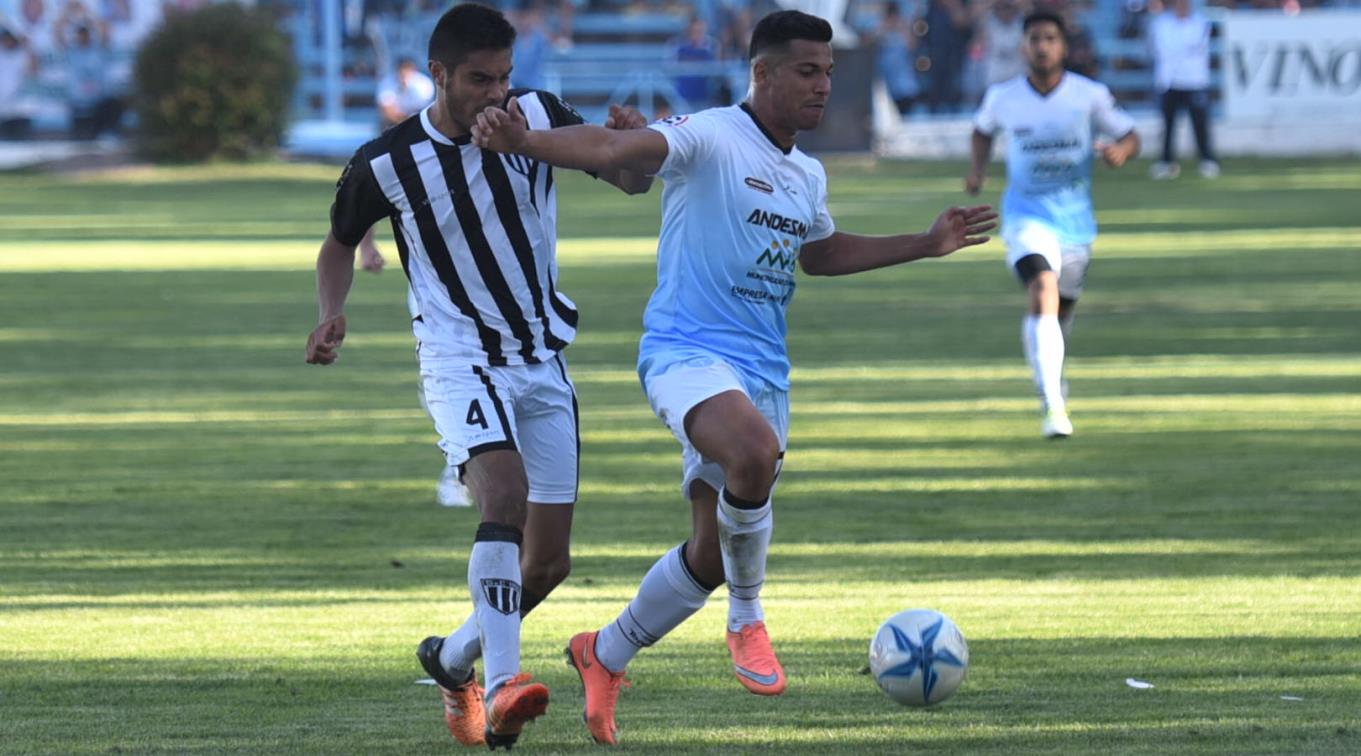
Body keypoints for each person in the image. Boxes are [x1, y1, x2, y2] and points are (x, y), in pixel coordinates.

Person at [472, 9, 995, 745]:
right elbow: (615, 146)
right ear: (762, 73)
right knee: (753, 453)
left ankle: (604, 653)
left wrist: (926, 243)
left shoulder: (806, 174)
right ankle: (747, 618)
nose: (822, 86)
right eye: (806, 71)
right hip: (685, 352)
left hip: (762, 371)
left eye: (828, 73)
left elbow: (819, 254)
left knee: (711, 554)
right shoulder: (711, 134)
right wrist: (524, 140)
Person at [303, 4, 651, 749]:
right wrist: (331, 312)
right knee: (503, 493)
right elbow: (337, 243)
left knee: (547, 564)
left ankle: (452, 659)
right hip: (457, 355)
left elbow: (630, 182)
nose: (495, 94)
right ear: (438, 74)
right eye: (478, 80)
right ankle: (501, 688)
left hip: (541, 356)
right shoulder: (387, 162)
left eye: (503, 78)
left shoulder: (536, 117)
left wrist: (631, 144)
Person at [965, 9, 1140, 438]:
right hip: (1025, 217)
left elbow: (1130, 134)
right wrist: (977, 171)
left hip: (1076, 224)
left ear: (1064, 46)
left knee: (1060, 313)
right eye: (1034, 39)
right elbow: (982, 131)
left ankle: (1051, 379)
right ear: (1023, 46)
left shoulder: (1089, 94)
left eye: (1050, 38)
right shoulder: (1003, 97)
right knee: (1042, 287)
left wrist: (1121, 151)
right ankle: (1053, 406)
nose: (1041, 46)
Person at [358, 57, 437, 274]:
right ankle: (367, 245)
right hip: (395, 137)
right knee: (373, 190)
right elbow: (388, 111)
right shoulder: (388, 84)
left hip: (414, 138)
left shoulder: (422, 85)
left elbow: (422, 115)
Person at [1147, 0, 1218, 179]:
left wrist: (1178, 53)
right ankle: (1166, 162)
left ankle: (1207, 160)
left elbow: (1194, 47)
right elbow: (1160, 49)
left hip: (1195, 81)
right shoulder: (1161, 24)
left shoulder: (1200, 23)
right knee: (1168, 125)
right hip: (1169, 81)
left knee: (1200, 124)